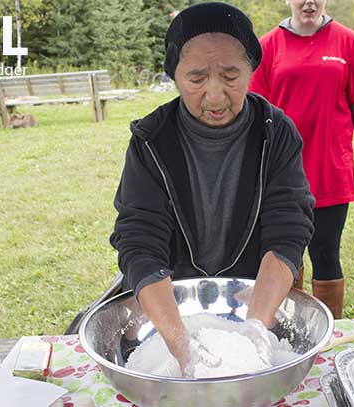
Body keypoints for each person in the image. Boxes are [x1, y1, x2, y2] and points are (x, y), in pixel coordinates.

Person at [110, 2, 314, 376]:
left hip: (254, 299)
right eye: (197, 78)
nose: (216, 96)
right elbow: (140, 242)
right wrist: (182, 346)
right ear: (174, 76)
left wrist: (255, 330)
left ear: (252, 70)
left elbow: (288, 230)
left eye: (231, 76)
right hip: (170, 305)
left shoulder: (276, 135)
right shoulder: (150, 141)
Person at [249, 0, 354, 319]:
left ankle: (330, 329)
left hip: (330, 171)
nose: (309, 2)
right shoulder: (268, 46)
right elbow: (254, 116)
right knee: (284, 257)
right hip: (282, 176)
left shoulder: (347, 41)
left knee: (325, 253)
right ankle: (286, 330)